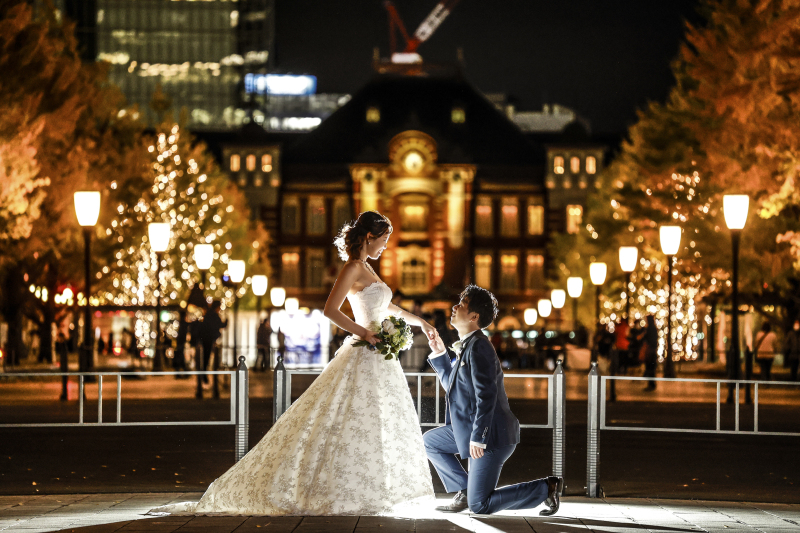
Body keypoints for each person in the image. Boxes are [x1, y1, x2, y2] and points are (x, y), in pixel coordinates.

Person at [165, 211, 436, 515]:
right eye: (383, 240)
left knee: (376, 422)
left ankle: (371, 489)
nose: (385, 247)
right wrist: (366, 333)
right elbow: (331, 310)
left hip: (378, 357)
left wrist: (421, 322)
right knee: (346, 418)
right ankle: (340, 489)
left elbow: (389, 307)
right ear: (369, 237)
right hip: (364, 351)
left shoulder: (368, 270)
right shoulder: (352, 268)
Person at [424, 285, 561, 516]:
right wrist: (439, 354)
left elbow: (486, 396)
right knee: (431, 442)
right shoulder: (468, 345)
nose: (455, 306)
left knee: (480, 505)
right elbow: (454, 387)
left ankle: (545, 488)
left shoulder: (479, 346)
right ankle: (465, 490)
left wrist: (479, 437)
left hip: (492, 435)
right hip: (469, 429)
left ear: (474, 316)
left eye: (462, 303)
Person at [199, 301, 227, 386]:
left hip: (206, 339)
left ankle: (204, 374)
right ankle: (204, 374)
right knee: (206, 357)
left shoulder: (208, 314)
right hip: (209, 339)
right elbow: (220, 325)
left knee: (206, 357)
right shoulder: (213, 315)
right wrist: (226, 322)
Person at [641, 314, 658, 391]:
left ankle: (651, 384)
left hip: (649, 351)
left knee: (650, 368)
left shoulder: (649, 329)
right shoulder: (653, 328)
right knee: (651, 368)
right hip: (652, 350)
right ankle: (652, 384)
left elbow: (645, 338)